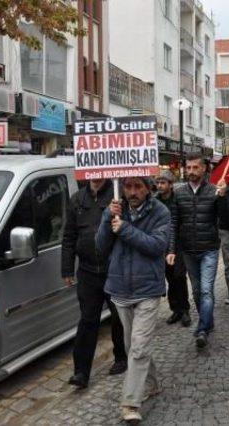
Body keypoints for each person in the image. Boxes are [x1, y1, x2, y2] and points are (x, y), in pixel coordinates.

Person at [96, 176, 170, 423]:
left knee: (138, 348)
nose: (133, 191)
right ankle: (152, 383)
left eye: (138, 186)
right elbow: (100, 246)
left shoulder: (160, 211)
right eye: (128, 186)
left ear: (148, 188)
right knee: (131, 346)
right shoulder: (115, 208)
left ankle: (130, 403)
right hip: (119, 288)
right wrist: (108, 218)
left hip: (148, 289)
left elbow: (157, 246)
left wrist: (125, 229)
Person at [62, 179, 127, 389]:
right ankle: (81, 372)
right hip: (88, 271)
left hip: (113, 269)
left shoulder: (118, 194)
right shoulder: (77, 200)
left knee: (119, 317)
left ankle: (121, 357)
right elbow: (69, 236)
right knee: (88, 320)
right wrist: (67, 268)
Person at [175, 154, 222, 349]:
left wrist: (224, 198)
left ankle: (202, 329)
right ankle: (208, 321)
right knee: (196, 290)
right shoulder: (179, 193)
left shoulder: (214, 191)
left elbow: (226, 218)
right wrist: (172, 249)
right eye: (189, 168)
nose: (191, 171)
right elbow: (173, 222)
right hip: (188, 250)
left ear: (204, 169)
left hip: (209, 249)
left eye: (195, 167)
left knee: (206, 290)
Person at [155, 171, 191, 327]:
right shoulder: (155, 201)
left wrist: (174, 249)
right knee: (170, 278)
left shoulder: (177, 200)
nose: (160, 186)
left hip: (178, 245)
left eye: (163, 183)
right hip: (161, 244)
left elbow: (175, 224)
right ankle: (175, 309)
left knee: (179, 277)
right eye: (158, 183)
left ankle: (184, 310)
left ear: (170, 184)